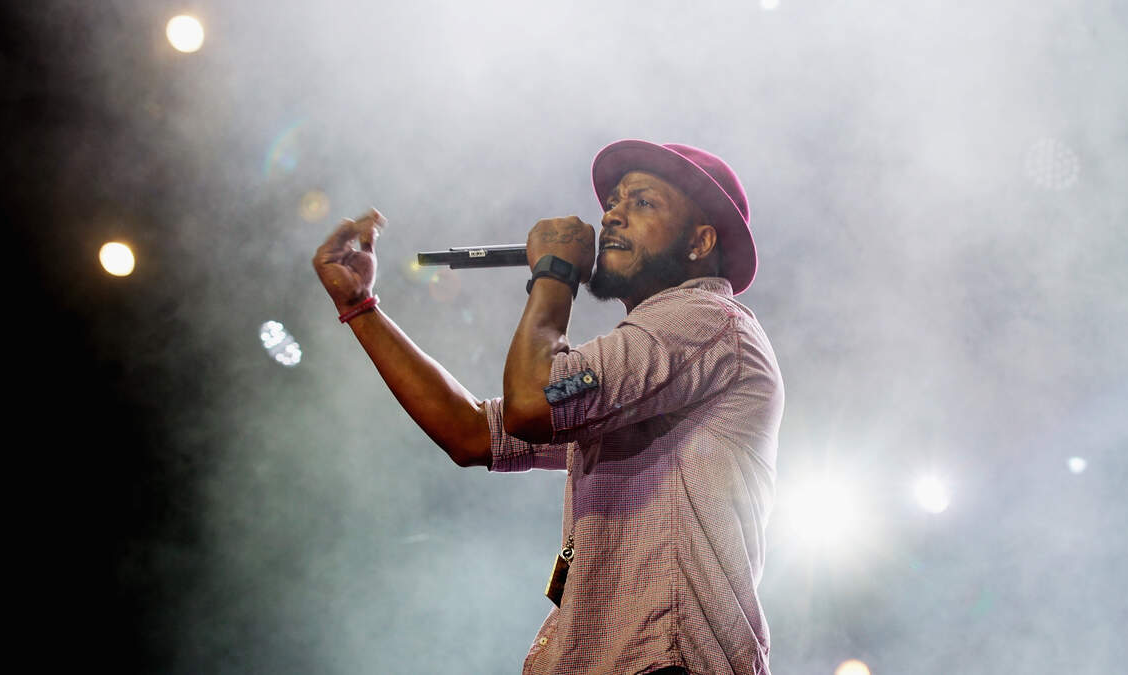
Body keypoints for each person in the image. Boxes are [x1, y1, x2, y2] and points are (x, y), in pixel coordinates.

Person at [313, 140, 784, 675]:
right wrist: (359, 307)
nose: (611, 216)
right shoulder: (644, 364)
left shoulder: (704, 320)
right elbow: (472, 433)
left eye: (642, 202)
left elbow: (533, 404)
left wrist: (555, 272)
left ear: (700, 241)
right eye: (614, 201)